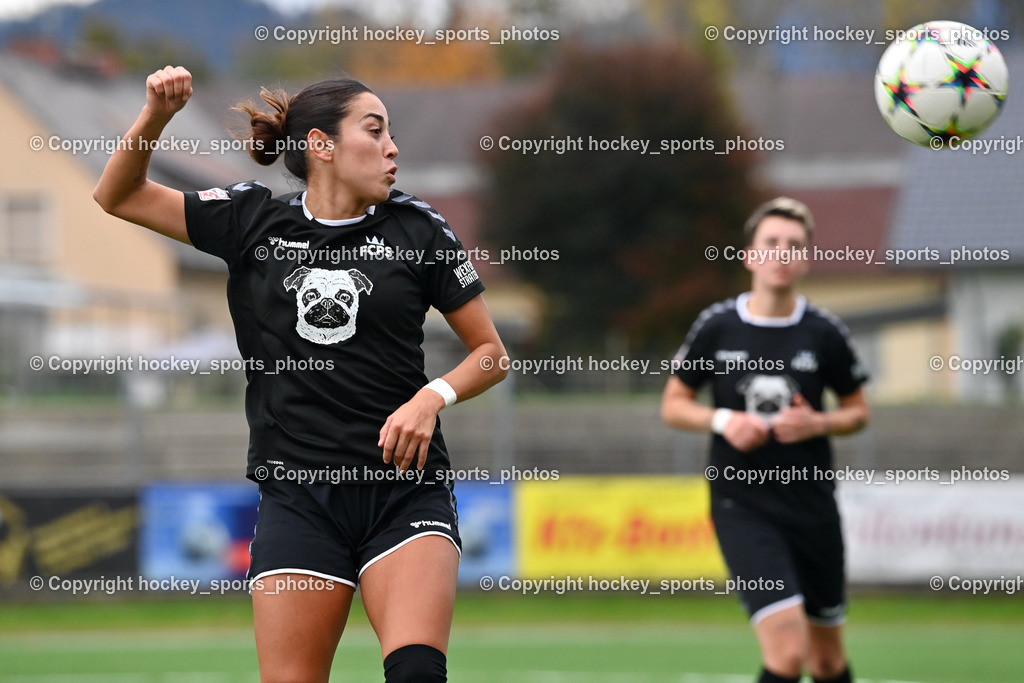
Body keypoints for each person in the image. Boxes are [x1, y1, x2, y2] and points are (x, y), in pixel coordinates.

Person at [94, 65, 507, 682]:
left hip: (402, 492)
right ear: (322, 146)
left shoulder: (418, 229)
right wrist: (156, 115)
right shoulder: (251, 221)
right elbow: (117, 195)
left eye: (391, 131)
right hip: (298, 498)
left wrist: (432, 397)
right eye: (375, 130)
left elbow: (491, 354)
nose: (393, 147)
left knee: (417, 675)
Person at [660, 197, 870, 683]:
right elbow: (673, 404)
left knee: (826, 660)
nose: (782, 253)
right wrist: (723, 422)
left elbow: (859, 412)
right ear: (750, 255)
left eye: (794, 245)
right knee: (787, 652)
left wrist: (818, 423)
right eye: (771, 243)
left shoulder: (824, 333)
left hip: (811, 505)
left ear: (807, 258)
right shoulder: (718, 326)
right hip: (742, 505)